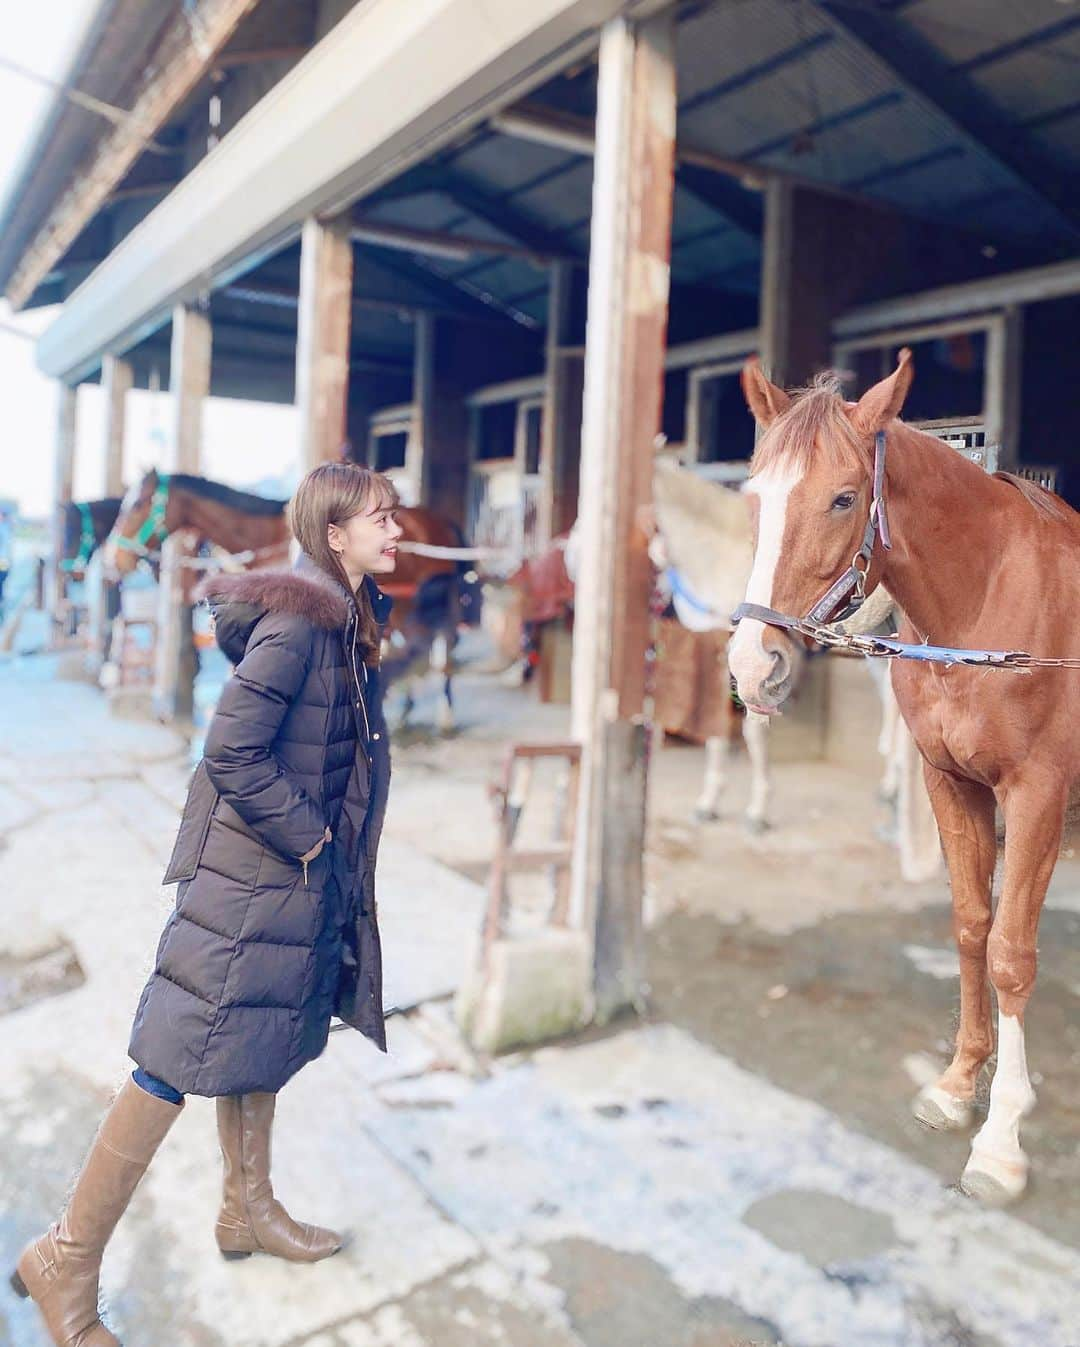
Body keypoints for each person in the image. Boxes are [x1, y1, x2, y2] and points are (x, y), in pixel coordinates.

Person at [10, 463, 403, 1347]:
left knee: (267, 1034)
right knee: (171, 1057)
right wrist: (311, 839)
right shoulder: (301, 623)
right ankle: (65, 1257)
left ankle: (246, 1211)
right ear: (332, 535)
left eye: (394, 514)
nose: (395, 527)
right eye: (379, 517)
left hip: (296, 887)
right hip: (251, 884)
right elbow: (231, 749)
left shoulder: (346, 619)